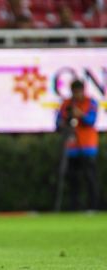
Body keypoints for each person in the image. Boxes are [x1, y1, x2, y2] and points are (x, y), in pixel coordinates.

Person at [56, 79, 100, 210]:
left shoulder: (90, 102)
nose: (76, 95)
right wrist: (64, 122)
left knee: (90, 177)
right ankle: (75, 207)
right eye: (74, 92)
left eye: (78, 92)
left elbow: (91, 121)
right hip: (71, 147)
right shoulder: (66, 104)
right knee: (73, 179)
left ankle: (93, 207)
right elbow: (58, 123)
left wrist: (80, 114)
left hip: (88, 146)